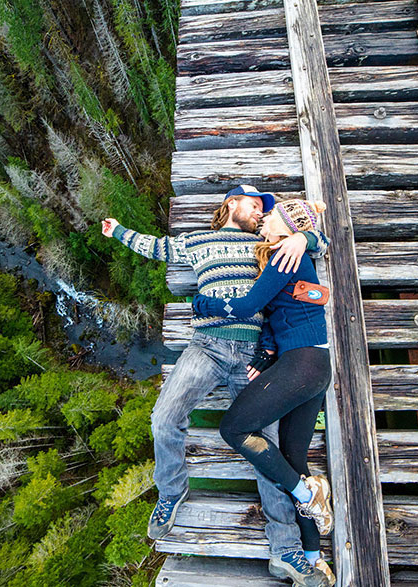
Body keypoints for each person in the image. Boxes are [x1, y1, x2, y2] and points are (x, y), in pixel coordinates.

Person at [101, 185, 330, 587]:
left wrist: (302, 236)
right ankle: (171, 491)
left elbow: (320, 240)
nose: (260, 213)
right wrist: (117, 230)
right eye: (255, 204)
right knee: (163, 417)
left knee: (266, 446)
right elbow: (155, 246)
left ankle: (286, 549)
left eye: (265, 210)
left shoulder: (269, 246)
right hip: (205, 346)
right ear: (231, 203)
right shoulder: (197, 240)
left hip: (252, 352)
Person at [191, 199, 336, 586]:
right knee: (292, 456)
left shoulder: (283, 256)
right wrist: (265, 350)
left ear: (285, 225)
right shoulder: (290, 252)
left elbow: (247, 306)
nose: (264, 219)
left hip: (302, 364)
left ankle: (305, 493)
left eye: (270, 215)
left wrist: (204, 302)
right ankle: (312, 556)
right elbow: (278, 312)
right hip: (313, 365)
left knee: (234, 429)